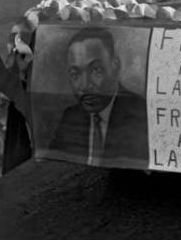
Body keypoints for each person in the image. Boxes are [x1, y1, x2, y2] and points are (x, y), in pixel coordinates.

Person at [49, 27, 148, 165]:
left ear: (116, 66)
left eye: (96, 70)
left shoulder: (142, 115)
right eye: (75, 74)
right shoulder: (71, 117)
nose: (84, 85)